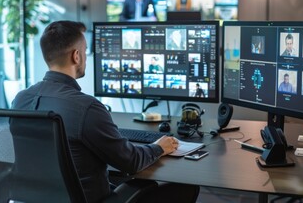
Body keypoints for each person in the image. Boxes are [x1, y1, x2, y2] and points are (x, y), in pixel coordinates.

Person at [12, 21, 198, 202]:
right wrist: (159, 147)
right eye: (85, 51)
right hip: (89, 197)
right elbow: (131, 162)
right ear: (76, 56)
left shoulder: (20, 100)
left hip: (39, 197)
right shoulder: (86, 108)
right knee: (187, 187)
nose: (85, 56)